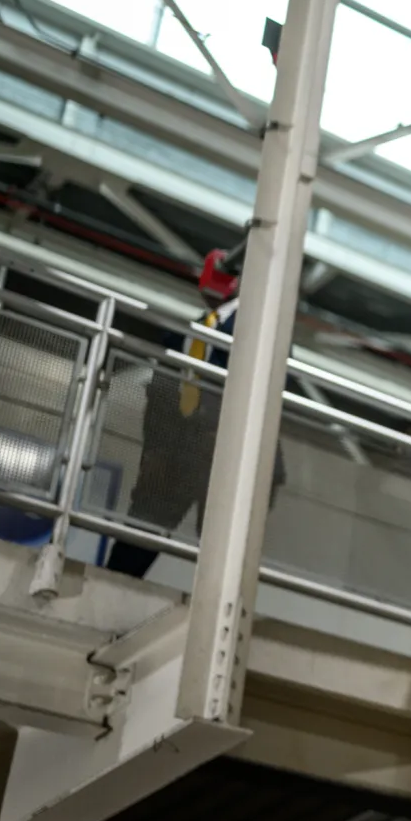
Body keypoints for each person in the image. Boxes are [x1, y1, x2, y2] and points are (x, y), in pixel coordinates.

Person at [109, 247, 284, 578]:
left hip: (228, 449)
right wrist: (155, 448)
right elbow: (163, 391)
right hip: (179, 445)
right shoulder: (194, 329)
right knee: (143, 527)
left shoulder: (262, 324)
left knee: (222, 541)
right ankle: (113, 580)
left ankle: (218, 602)